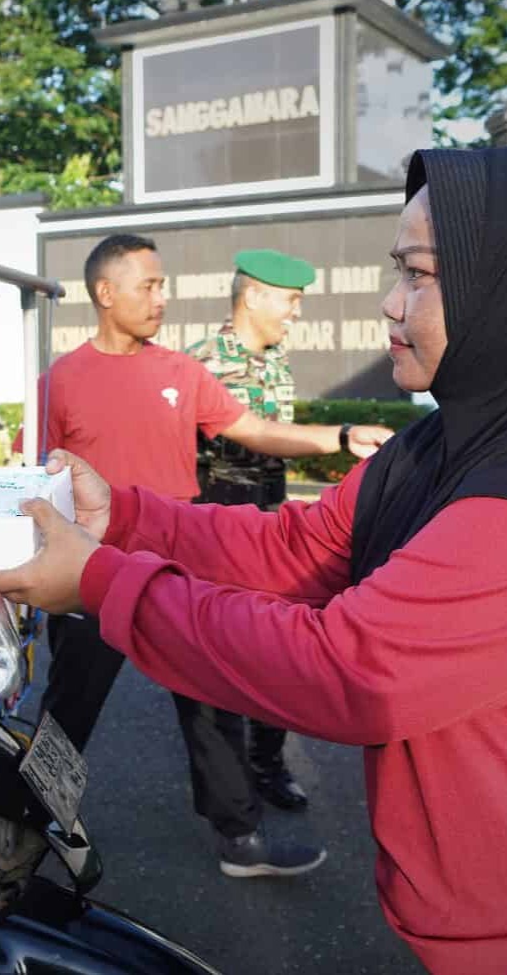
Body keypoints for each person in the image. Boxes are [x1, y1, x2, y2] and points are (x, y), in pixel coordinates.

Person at [0, 147, 507, 973]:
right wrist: (120, 518)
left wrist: (96, 580)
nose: (388, 302)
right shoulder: (454, 442)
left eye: (421, 274)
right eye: (396, 269)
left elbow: (347, 670)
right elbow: (297, 546)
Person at [34, 232, 391, 877]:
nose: (161, 297)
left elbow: (253, 429)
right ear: (104, 293)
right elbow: (41, 478)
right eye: (148, 285)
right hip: (88, 566)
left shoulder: (181, 372)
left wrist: (339, 435)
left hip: (178, 561)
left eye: (163, 284)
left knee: (213, 701)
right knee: (67, 708)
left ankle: (241, 840)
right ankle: (23, 832)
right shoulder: (59, 380)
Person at [186, 249, 329, 816]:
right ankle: (231, 785)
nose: (295, 312)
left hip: (272, 521)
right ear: (253, 297)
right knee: (223, 658)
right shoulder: (200, 364)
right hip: (220, 522)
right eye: (290, 300)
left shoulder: (275, 360)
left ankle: (268, 763)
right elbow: (252, 438)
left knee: (279, 650)